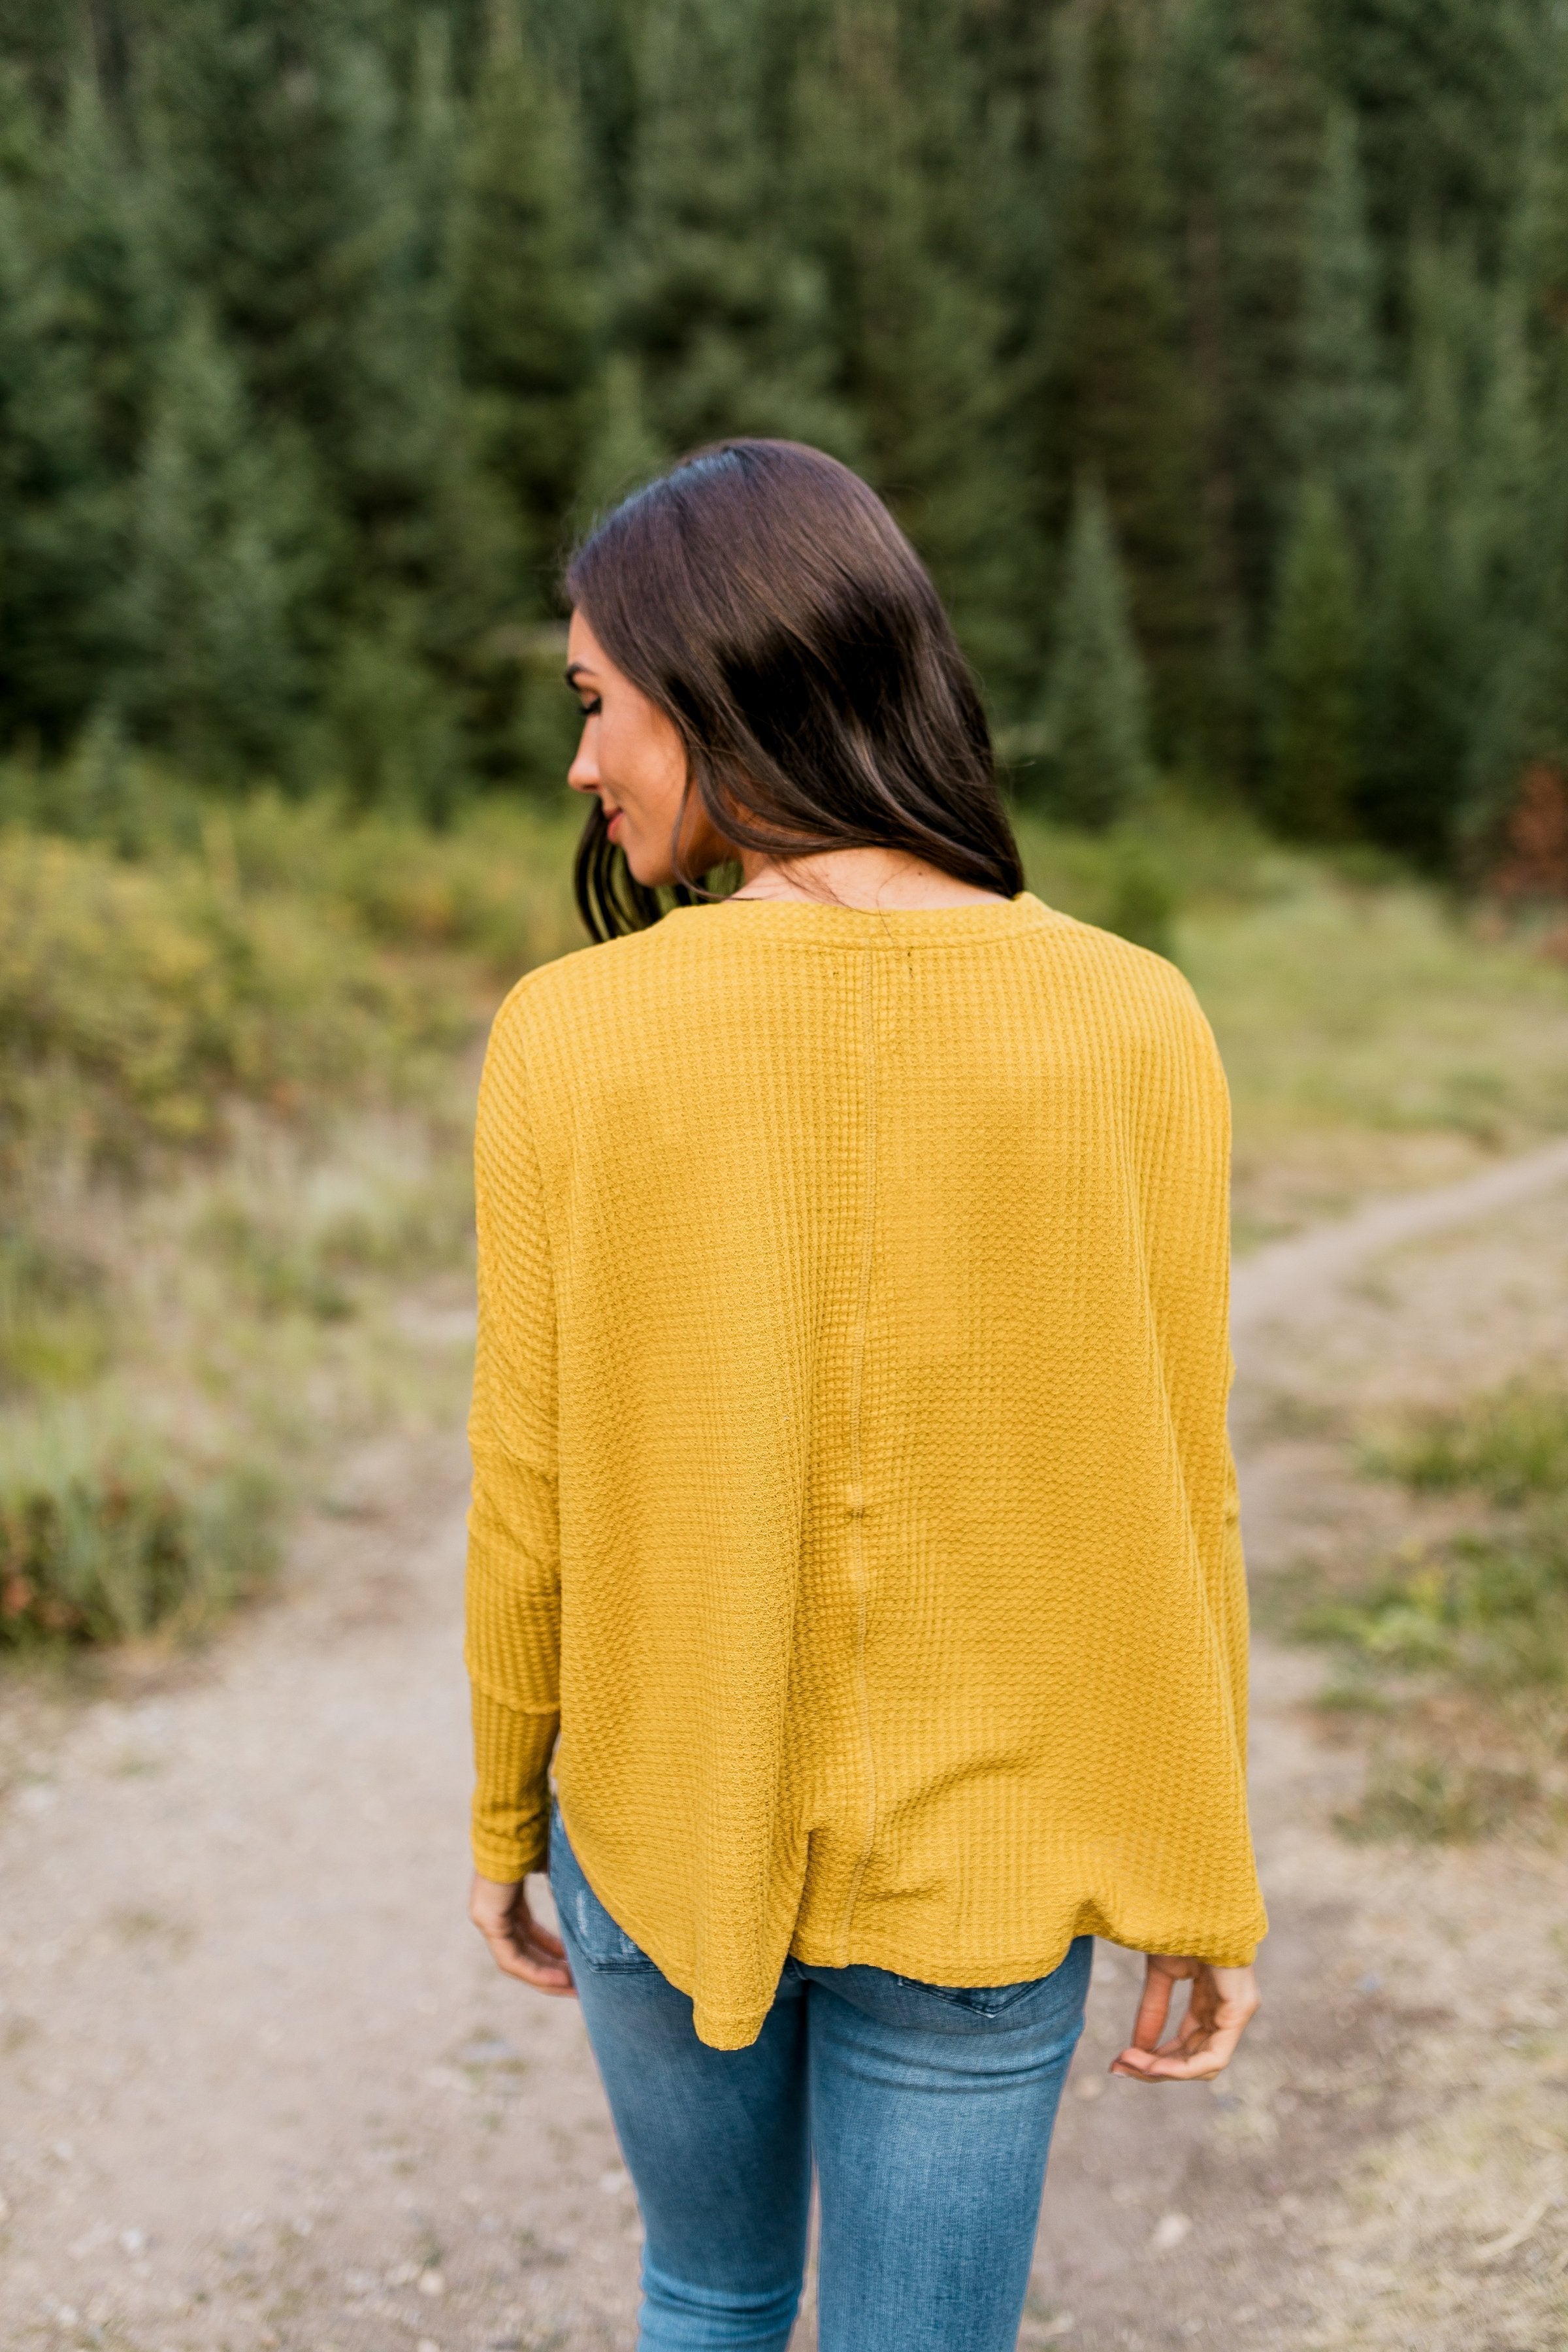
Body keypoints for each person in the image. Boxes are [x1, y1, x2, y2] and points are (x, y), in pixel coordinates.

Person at [465, 440, 1266, 2352]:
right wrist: (1199, 1872)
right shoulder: (1131, 1019)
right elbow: (1181, 1489)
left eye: (599, 703)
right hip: (990, 1870)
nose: (584, 764)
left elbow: (529, 1483)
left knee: (710, 2292)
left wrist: (508, 1807)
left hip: (654, 1824)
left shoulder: (571, 1035)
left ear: (721, 683)